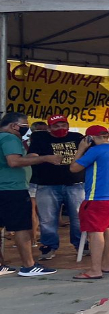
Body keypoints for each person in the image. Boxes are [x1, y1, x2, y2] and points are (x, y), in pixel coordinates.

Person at [0, 111, 61, 277]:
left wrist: (31, 157)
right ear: (14, 126)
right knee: (22, 228)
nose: (26, 129)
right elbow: (14, 161)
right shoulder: (10, 138)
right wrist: (44, 158)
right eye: (24, 125)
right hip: (12, 189)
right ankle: (28, 266)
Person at [69, 125, 109, 280]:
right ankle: (106, 265)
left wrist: (80, 149)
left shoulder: (95, 151)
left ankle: (95, 270)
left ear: (89, 138)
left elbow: (74, 168)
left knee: (95, 232)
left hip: (96, 197)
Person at [28, 114, 84, 261]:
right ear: (49, 127)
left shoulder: (77, 137)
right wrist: (45, 158)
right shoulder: (40, 138)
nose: (61, 128)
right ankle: (48, 246)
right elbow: (31, 157)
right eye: (56, 126)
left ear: (68, 125)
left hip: (76, 184)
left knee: (79, 217)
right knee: (47, 219)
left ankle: (82, 245)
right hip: (47, 185)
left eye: (63, 125)